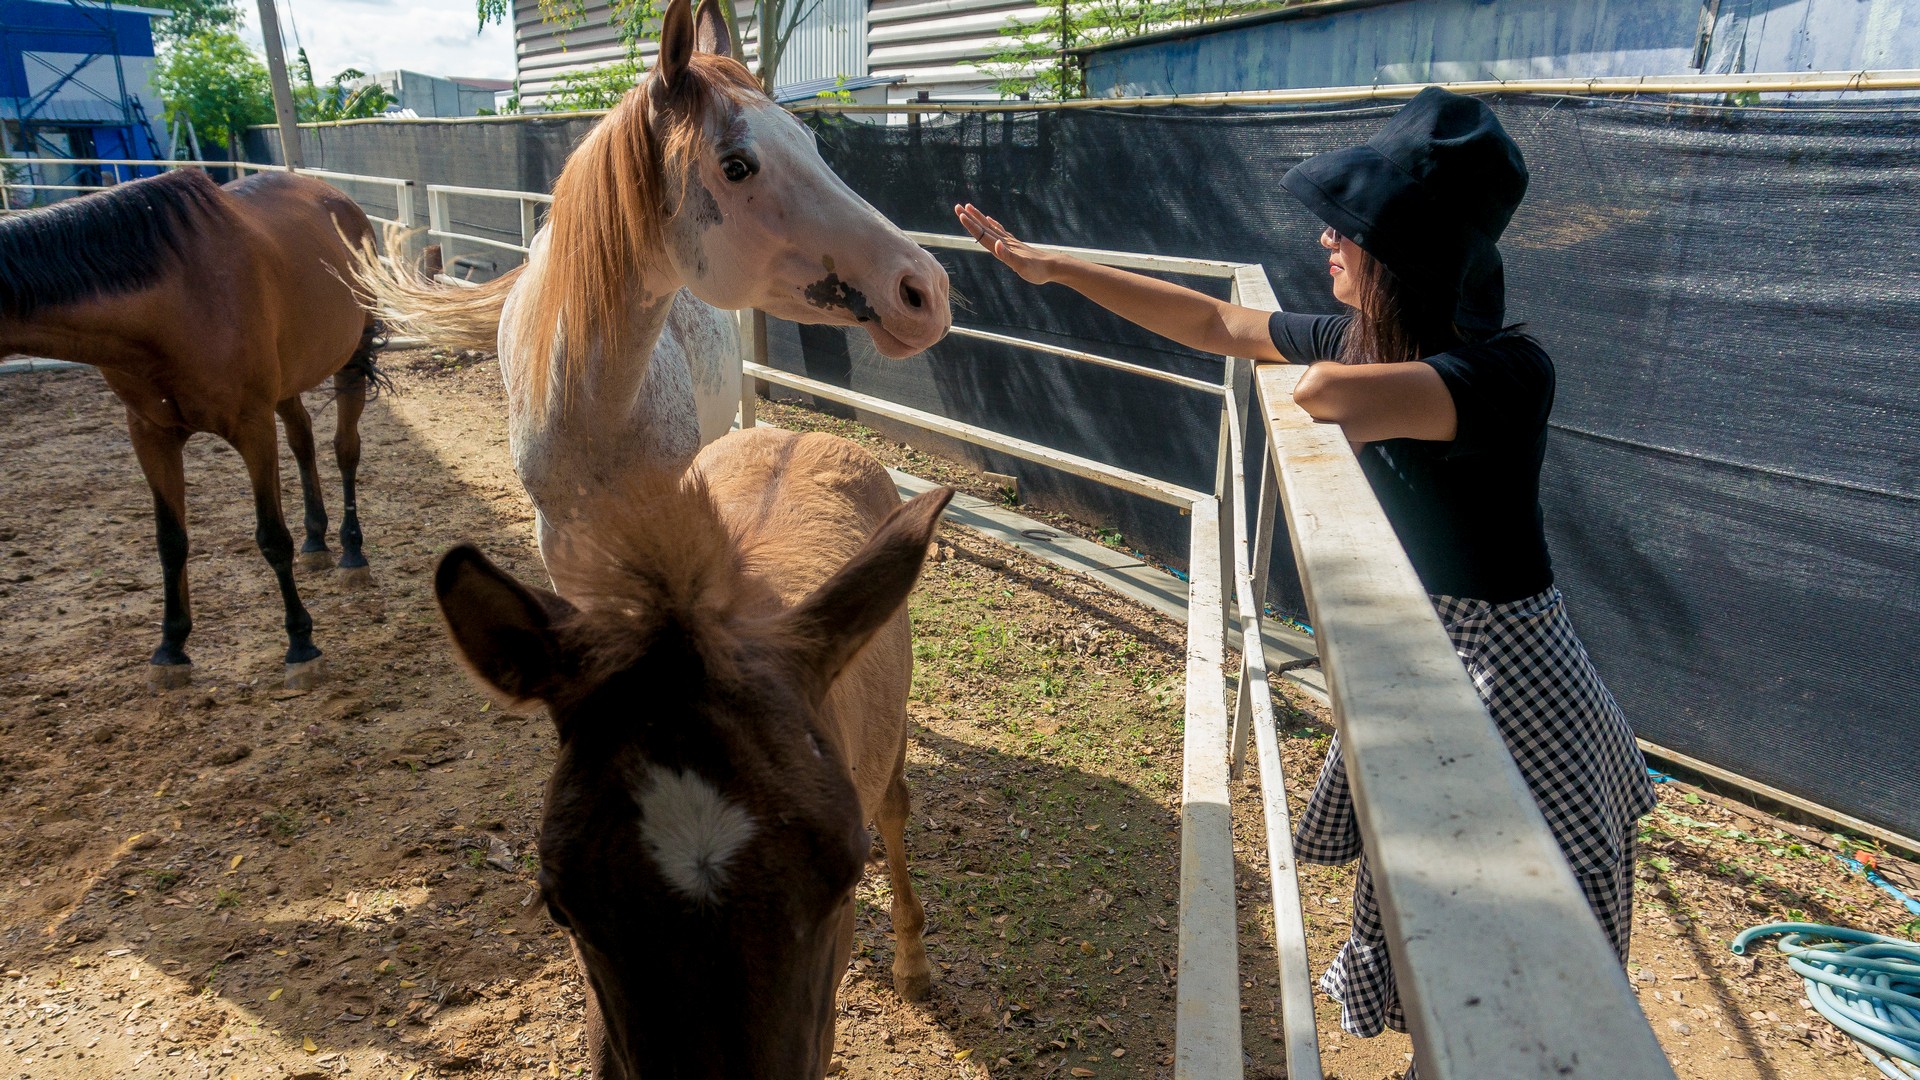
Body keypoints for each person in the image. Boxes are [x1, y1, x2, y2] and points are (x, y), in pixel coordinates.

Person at [955, 87, 1654, 1075]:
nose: (1326, 236)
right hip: (1435, 662)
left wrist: (1321, 348)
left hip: (1516, 680)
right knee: (1450, 908)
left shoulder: (1505, 371)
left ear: (1402, 248)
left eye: (1349, 224)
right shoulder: (1370, 340)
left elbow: (1324, 394)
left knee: (1534, 939)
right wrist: (1049, 266)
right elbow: (1213, 321)